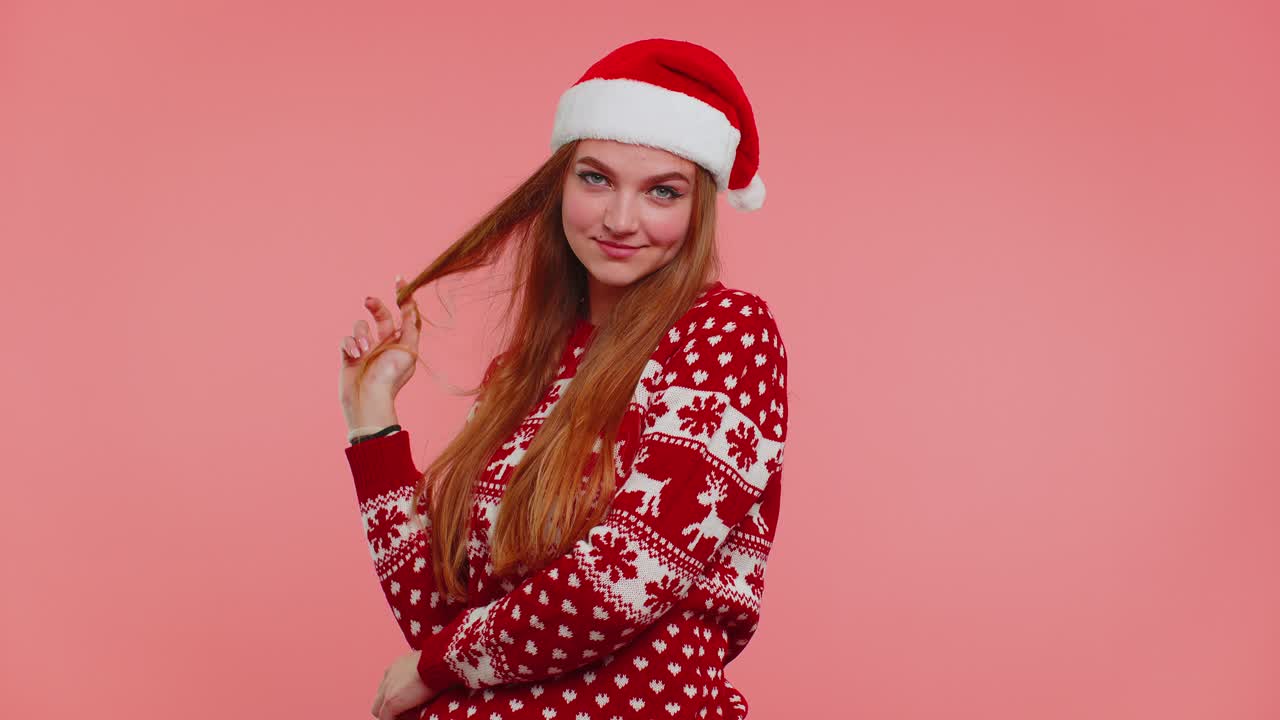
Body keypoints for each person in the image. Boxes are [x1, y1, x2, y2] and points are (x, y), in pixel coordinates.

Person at [337, 38, 787, 720]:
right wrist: (370, 415)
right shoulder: (523, 373)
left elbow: (631, 574)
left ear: (699, 210)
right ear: (560, 182)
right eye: (596, 178)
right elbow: (434, 617)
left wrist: (437, 667)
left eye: (663, 191)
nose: (620, 220)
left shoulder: (726, 334)